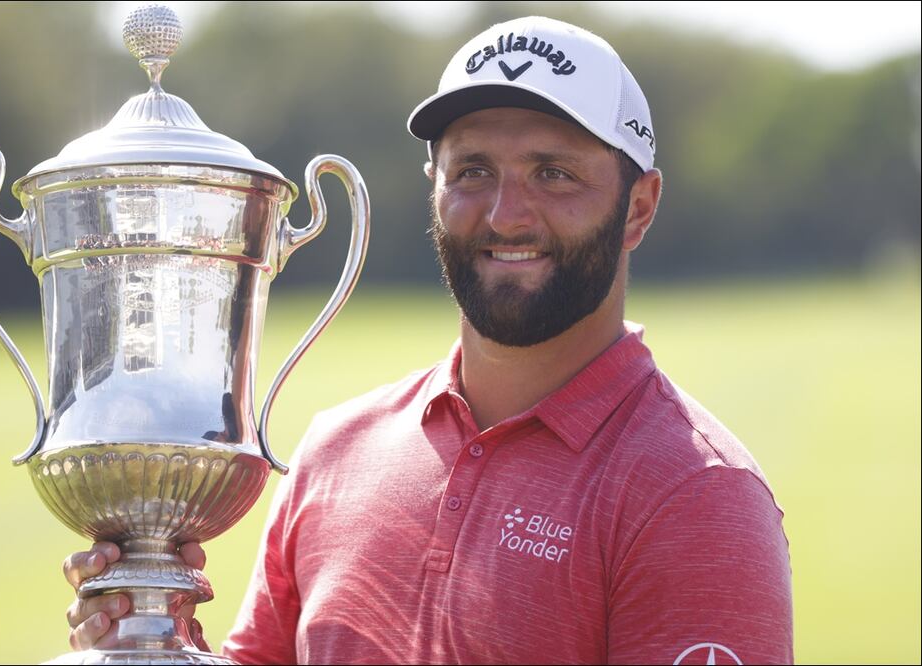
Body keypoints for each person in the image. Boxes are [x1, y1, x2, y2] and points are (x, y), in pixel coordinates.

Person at [64, 16, 793, 664]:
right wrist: (148, 637)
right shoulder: (336, 450)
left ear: (638, 208)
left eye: (554, 173)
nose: (507, 214)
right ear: (433, 189)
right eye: (472, 170)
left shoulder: (697, 497)